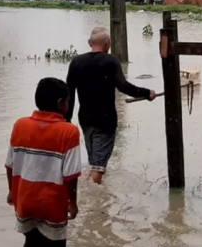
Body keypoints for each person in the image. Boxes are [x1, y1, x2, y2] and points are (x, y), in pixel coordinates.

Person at [5, 78, 82, 247]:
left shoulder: (20, 125)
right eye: (67, 102)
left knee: (31, 240)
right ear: (60, 103)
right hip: (52, 203)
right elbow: (71, 176)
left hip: (25, 199)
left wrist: (11, 192)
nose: (68, 106)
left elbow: (9, 164)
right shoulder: (69, 131)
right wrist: (73, 203)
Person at [65, 27, 155, 185]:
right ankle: (92, 198)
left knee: (95, 162)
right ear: (107, 44)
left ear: (89, 43)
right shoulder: (110, 61)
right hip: (105, 121)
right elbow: (123, 86)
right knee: (98, 168)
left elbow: (69, 93)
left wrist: (66, 120)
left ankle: (93, 191)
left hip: (85, 120)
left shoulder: (76, 62)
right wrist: (147, 93)